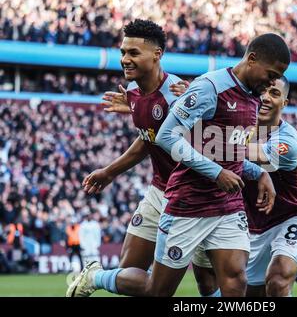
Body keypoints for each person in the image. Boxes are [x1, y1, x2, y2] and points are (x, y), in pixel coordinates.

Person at [68, 32, 289, 297]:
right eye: (273, 73)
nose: (274, 81)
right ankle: (97, 276)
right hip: (186, 201)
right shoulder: (209, 87)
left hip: (226, 204)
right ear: (252, 59)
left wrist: (258, 173)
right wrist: (218, 173)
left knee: (234, 283)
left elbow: (226, 149)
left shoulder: (254, 97)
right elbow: (164, 136)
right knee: (156, 290)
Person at [67, 19, 217, 297]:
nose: (125, 59)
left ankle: (95, 276)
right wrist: (110, 171)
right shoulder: (135, 95)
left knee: (207, 285)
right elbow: (148, 140)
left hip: (196, 197)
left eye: (133, 53)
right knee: (128, 270)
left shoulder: (179, 95)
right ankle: (97, 276)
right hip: (160, 191)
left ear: (157, 55)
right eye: (123, 52)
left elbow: (213, 141)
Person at [243, 76, 297, 297]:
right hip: (255, 226)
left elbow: (252, 155)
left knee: (278, 278)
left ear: (284, 102)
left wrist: (212, 145)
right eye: (262, 91)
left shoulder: (289, 141)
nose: (266, 98)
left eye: (274, 94)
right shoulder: (236, 129)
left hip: (292, 215)